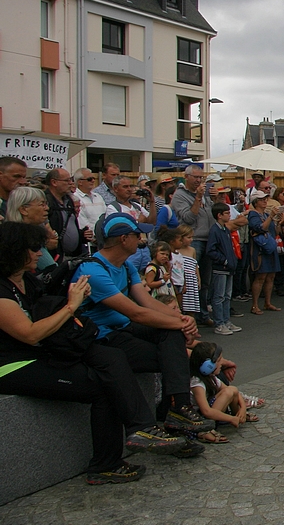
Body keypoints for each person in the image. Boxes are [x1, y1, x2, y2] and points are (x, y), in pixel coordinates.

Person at [0, 222, 198, 484]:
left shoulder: (27, 281)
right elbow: (30, 334)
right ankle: (109, 460)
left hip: (47, 351)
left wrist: (180, 321)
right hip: (13, 364)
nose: (39, 253)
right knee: (104, 385)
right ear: (16, 251)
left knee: (112, 361)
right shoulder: (2, 290)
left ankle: (148, 427)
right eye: (33, 248)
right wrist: (72, 306)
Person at [73, 212, 214, 435]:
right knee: (173, 353)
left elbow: (148, 301)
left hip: (123, 328)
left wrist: (181, 319)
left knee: (172, 338)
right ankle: (171, 413)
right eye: (137, 234)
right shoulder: (93, 270)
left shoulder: (126, 266)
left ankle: (180, 406)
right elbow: (136, 312)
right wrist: (179, 324)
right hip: (102, 336)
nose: (142, 239)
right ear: (123, 239)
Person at [170, 165, 217, 318]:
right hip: (193, 240)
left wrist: (215, 199)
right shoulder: (179, 195)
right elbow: (189, 218)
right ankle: (190, 314)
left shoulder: (204, 193)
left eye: (201, 177)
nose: (198, 180)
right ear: (186, 177)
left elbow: (212, 213)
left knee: (205, 280)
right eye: (195, 177)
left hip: (208, 238)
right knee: (191, 281)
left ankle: (203, 314)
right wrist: (197, 198)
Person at [188, 342, 257, 433]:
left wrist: (243, 408)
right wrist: (230, 419)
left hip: (210, 410)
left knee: (232, 389)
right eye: (219, 360)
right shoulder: (197, 384)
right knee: (228, 392)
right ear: (207, 366)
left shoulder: (211, 377)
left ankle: (239, 416)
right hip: (202, 417)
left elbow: (234, 390)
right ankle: (231, 418)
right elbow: (206, 411)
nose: (222, 363)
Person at [246, 190, 281, 315]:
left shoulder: (266, 215)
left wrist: (278, 222)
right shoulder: (253, 215)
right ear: (255, 202)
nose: (265, 201)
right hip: (260, 249)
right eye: (261, 199)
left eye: (265, 199)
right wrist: (271, 217)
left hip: (269, 246)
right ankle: (255, 305)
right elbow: (260, 228)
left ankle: (267, 302)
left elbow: (275, 232)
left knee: (271, 276)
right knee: (260, 276)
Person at [207, 203, 240, 335]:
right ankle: (219, 323)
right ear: (219, 215)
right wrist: (224, 260)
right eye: (226, 213)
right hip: (221, 268)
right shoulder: (215, 230)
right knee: (219, 296)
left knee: (227, 296)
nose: (229, 215)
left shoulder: (225, 229)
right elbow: (211, 250)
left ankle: (226, 321)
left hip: (228, 268)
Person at [45, 168, 89, 258]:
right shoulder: (45, 201)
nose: (70, 183)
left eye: (71, 180)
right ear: (54, 182)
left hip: (72, 255)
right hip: (55, 255)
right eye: (67, 180)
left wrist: (81, 235)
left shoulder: (69, 200)